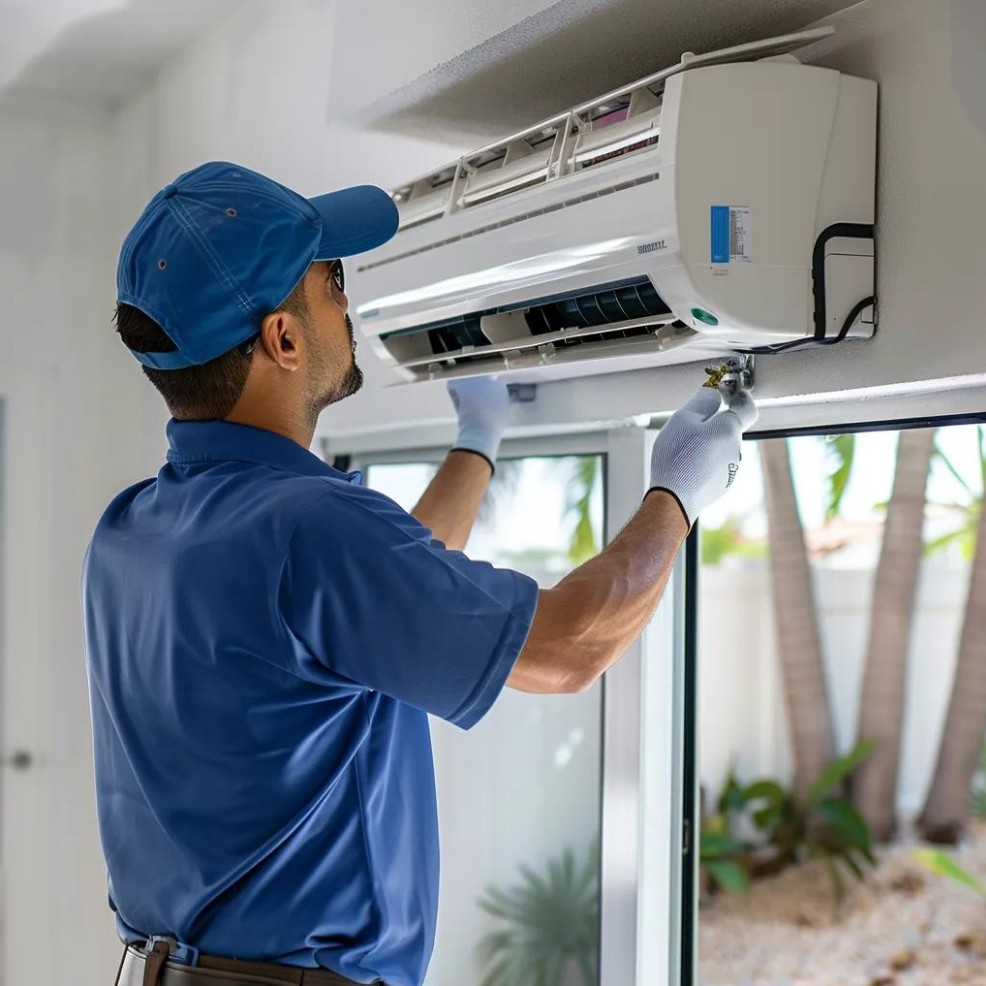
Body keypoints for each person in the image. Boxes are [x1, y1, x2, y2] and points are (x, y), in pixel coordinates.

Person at [82, 161, 758, 986]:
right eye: (333, 281)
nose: (347, 303)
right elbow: (568, 648)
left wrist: (478, 443)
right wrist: (677, 496)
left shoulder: (133, 529)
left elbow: (380, 600)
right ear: (282, 340)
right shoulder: (309, 528)